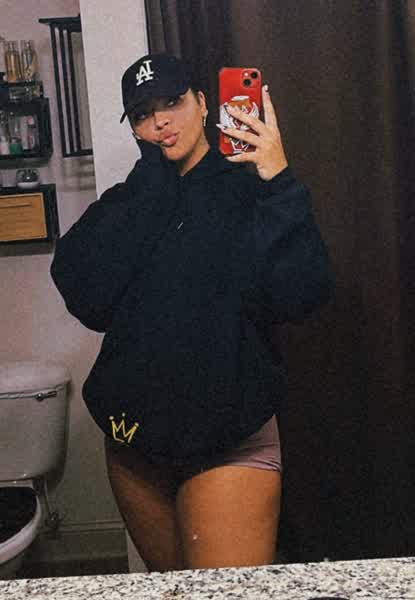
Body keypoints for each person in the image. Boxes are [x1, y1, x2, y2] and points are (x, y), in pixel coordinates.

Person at [50, 53, 333, 572]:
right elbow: (85, 292)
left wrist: (278, 179)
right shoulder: (132, 199)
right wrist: (153, 186)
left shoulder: (253, 189)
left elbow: (304, 293)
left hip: (228, 442)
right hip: (134, 445)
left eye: (173, 102)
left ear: (203, 103)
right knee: (171, 589)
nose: (161, 122)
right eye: (143, 113)